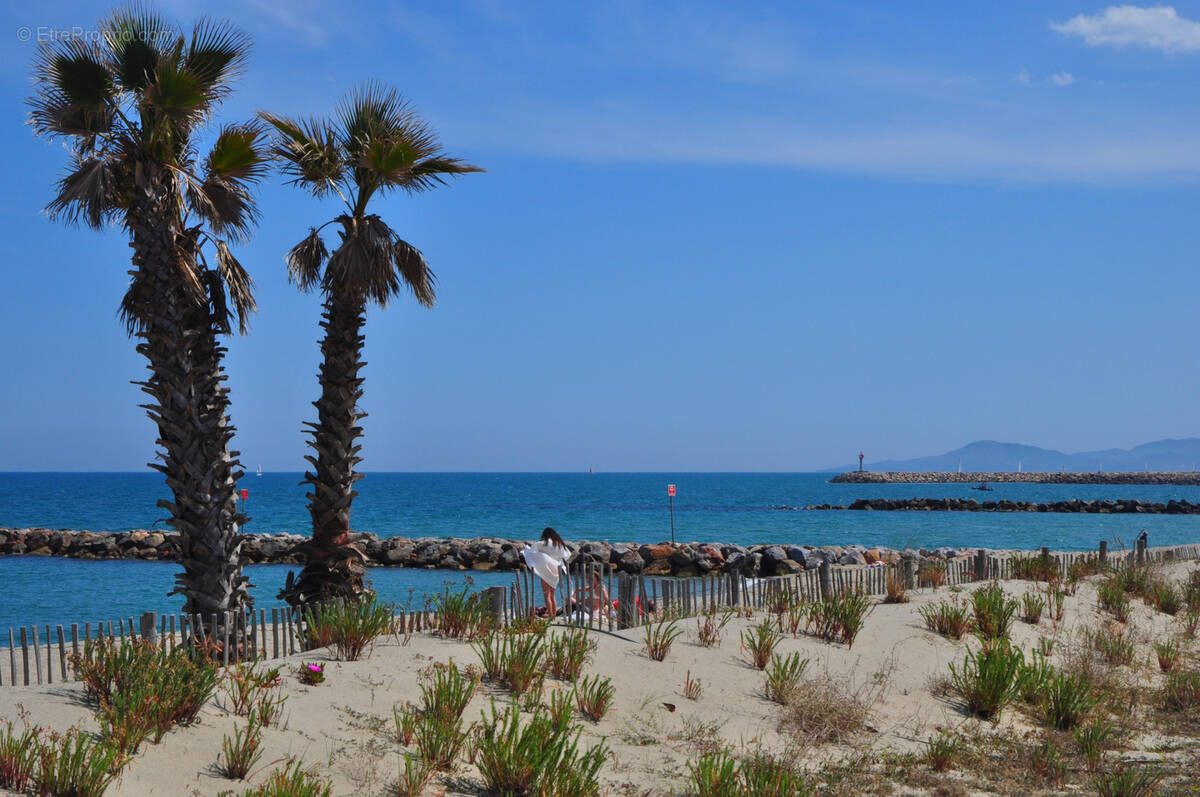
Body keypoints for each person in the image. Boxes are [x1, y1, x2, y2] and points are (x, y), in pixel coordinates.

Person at [522, 527, 570, 616]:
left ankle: (551, 614)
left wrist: (525, 550)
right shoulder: (559, 545)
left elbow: (532, 552)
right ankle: (554, 614)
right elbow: (567, 555)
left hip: (546, 570)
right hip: (556, 570)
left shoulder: (541, 543)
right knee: (552, 594)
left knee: (546, 594)